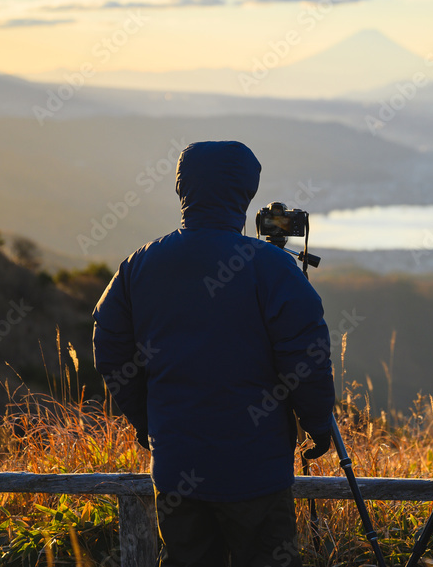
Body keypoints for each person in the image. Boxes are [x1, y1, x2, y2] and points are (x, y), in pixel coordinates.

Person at [92, 140, 335, 567]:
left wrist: (149, 422)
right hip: (255, 472)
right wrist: (317, 425)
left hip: (175, 469)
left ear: (182, 188)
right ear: (246, 191)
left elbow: (110, 350)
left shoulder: (138, 266)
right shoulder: (272, 267)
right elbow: (306, 357)